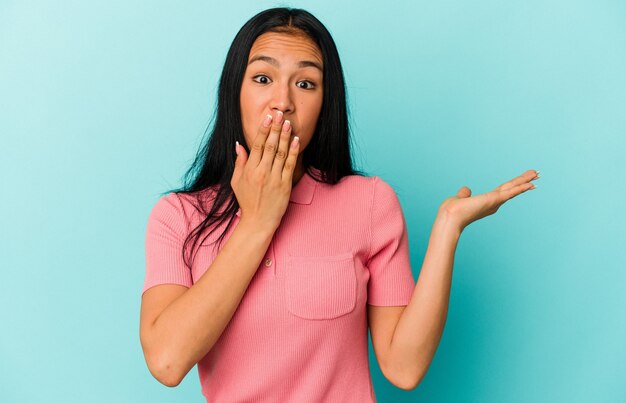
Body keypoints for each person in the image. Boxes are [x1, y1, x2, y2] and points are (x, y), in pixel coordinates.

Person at [139, 7, 539, 402]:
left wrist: (448, 227)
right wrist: (258, 221)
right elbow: (168, 361)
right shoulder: (179, 217)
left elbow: (403, 367)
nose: (283, 102)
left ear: (325, 102)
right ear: (234, 93)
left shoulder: (369, 203)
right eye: (263, 78)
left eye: (306, 84)